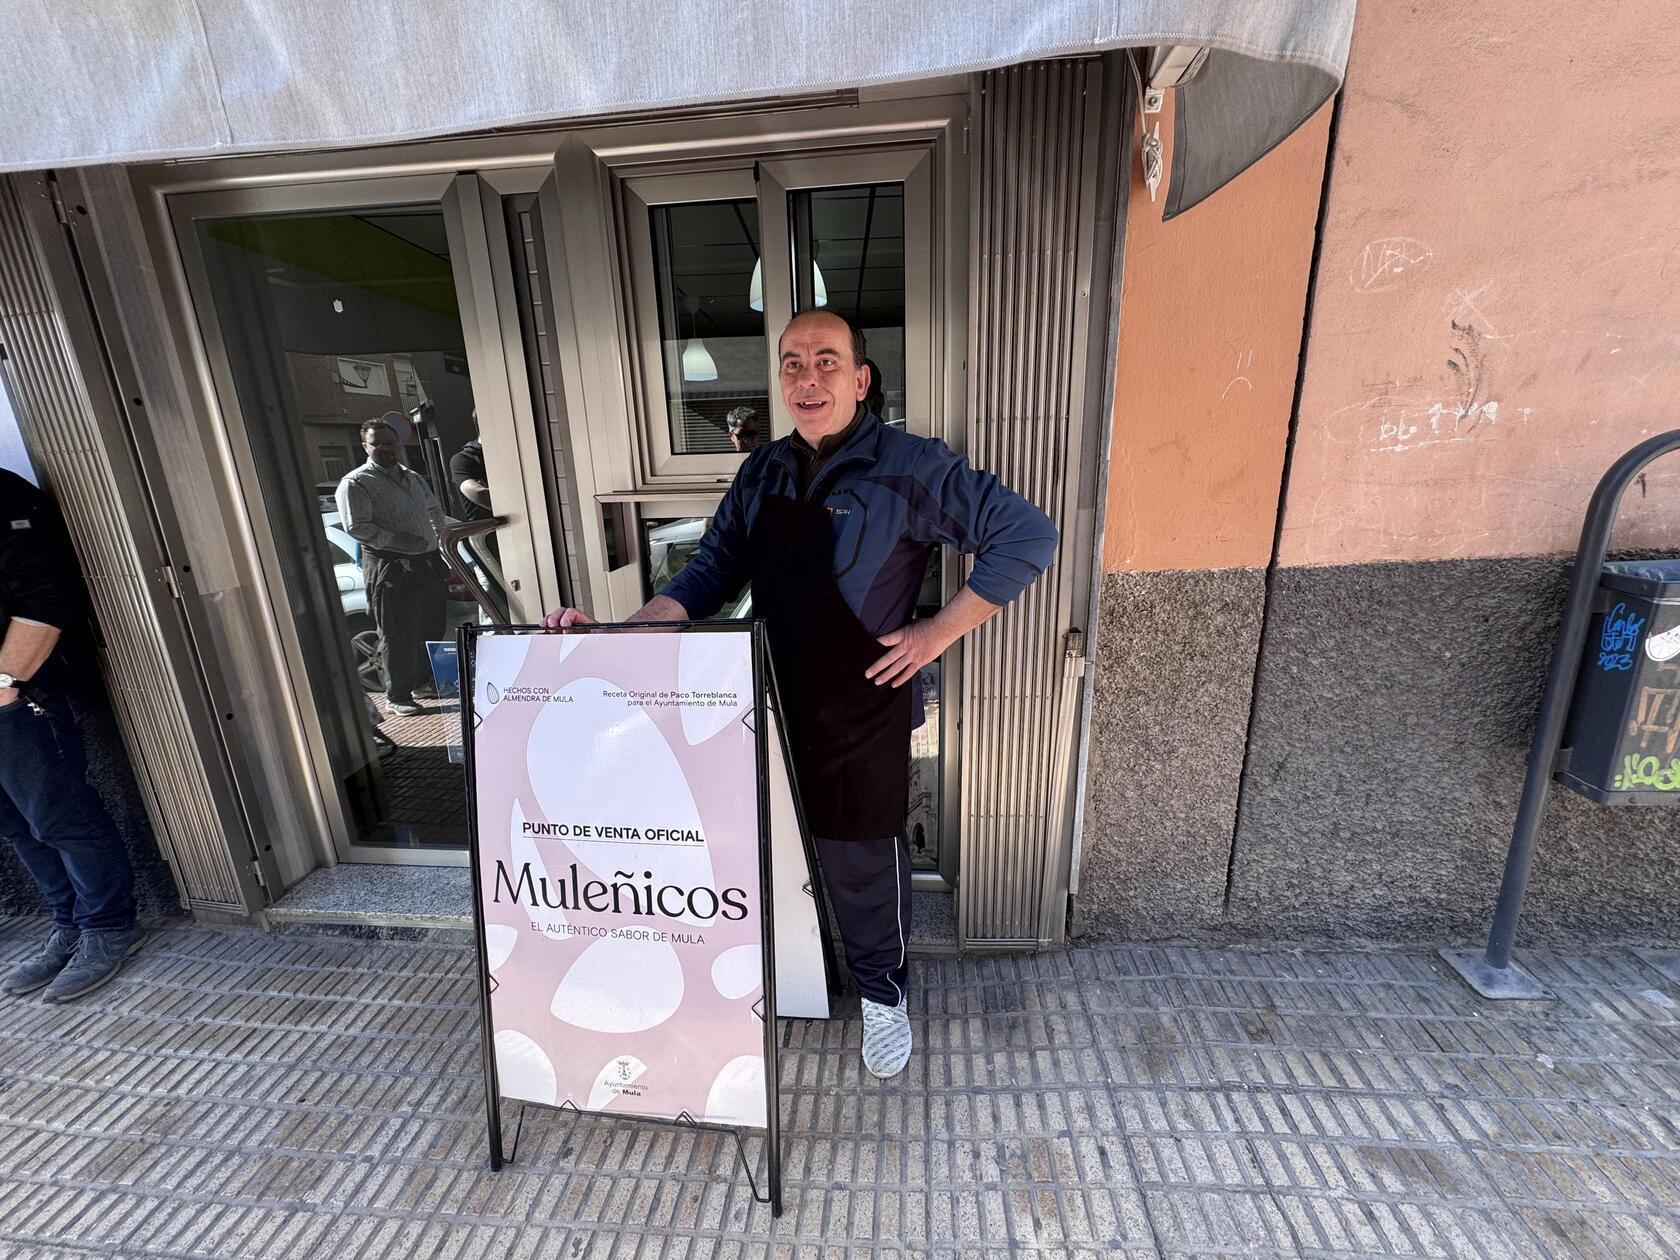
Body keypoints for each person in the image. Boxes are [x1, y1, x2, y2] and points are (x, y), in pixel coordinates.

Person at [544, 310, 1057, 1079]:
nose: (806, 377)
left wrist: (934, 634)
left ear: (860, 379)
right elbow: (709, 574)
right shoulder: (762, 472)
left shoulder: (910, 465)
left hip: (860, 705)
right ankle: (790, 970)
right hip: (764, 699)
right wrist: (620, 635)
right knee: (762, 845)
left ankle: (884, 995)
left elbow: (1028, 535)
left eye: (826, 361)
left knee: (859, 856)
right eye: (791, 363)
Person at [0, 468, 141, 1003]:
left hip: (23, 693)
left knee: (59, 816)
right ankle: (69, 925)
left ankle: (107, 925)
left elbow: (44, 597)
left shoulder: (6, 495)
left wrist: (5, 683)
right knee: (15, 825)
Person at [335, 417, 446, 716]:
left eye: (390, 442)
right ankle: (397, 695)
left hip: (426, 563)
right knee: (397, 633)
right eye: (377, 444)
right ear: (365, 447)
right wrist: (398, 540)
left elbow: (434, 510)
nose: (385, 448)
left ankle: (423, 683)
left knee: (429, 626)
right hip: (390, 568)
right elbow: (355, 526)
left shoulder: (412, 477)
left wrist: (436, 540)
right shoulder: (356, 483)